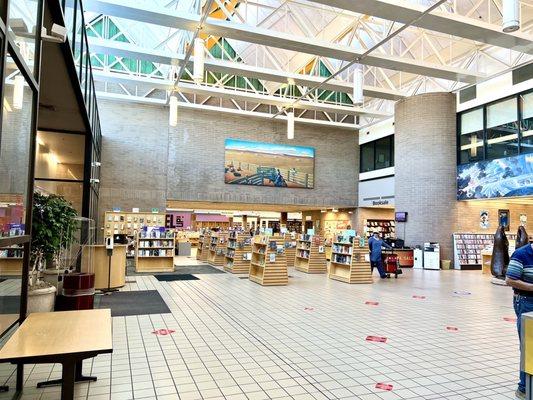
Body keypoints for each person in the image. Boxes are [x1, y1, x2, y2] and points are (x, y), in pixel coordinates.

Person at [505, 242, 533, 400]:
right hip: (526, 301)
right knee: (528, 345)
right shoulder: (521, 254)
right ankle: (524, 388)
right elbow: (509, 280)